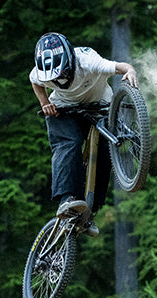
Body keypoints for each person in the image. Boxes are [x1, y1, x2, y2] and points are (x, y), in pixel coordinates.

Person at [30, 32, 139, 236]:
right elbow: (35, 82)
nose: (58, 80)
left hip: (100, 106)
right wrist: (45, 103)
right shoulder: (40, 72)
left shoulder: (88, 61)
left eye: (60, 74)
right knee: (68, 143)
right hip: (64, 108)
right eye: (52, 78)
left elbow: (123, 67)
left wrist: (131, 72)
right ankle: (68, 199)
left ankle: (89, 213)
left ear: (69, 61)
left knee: (107, 153)